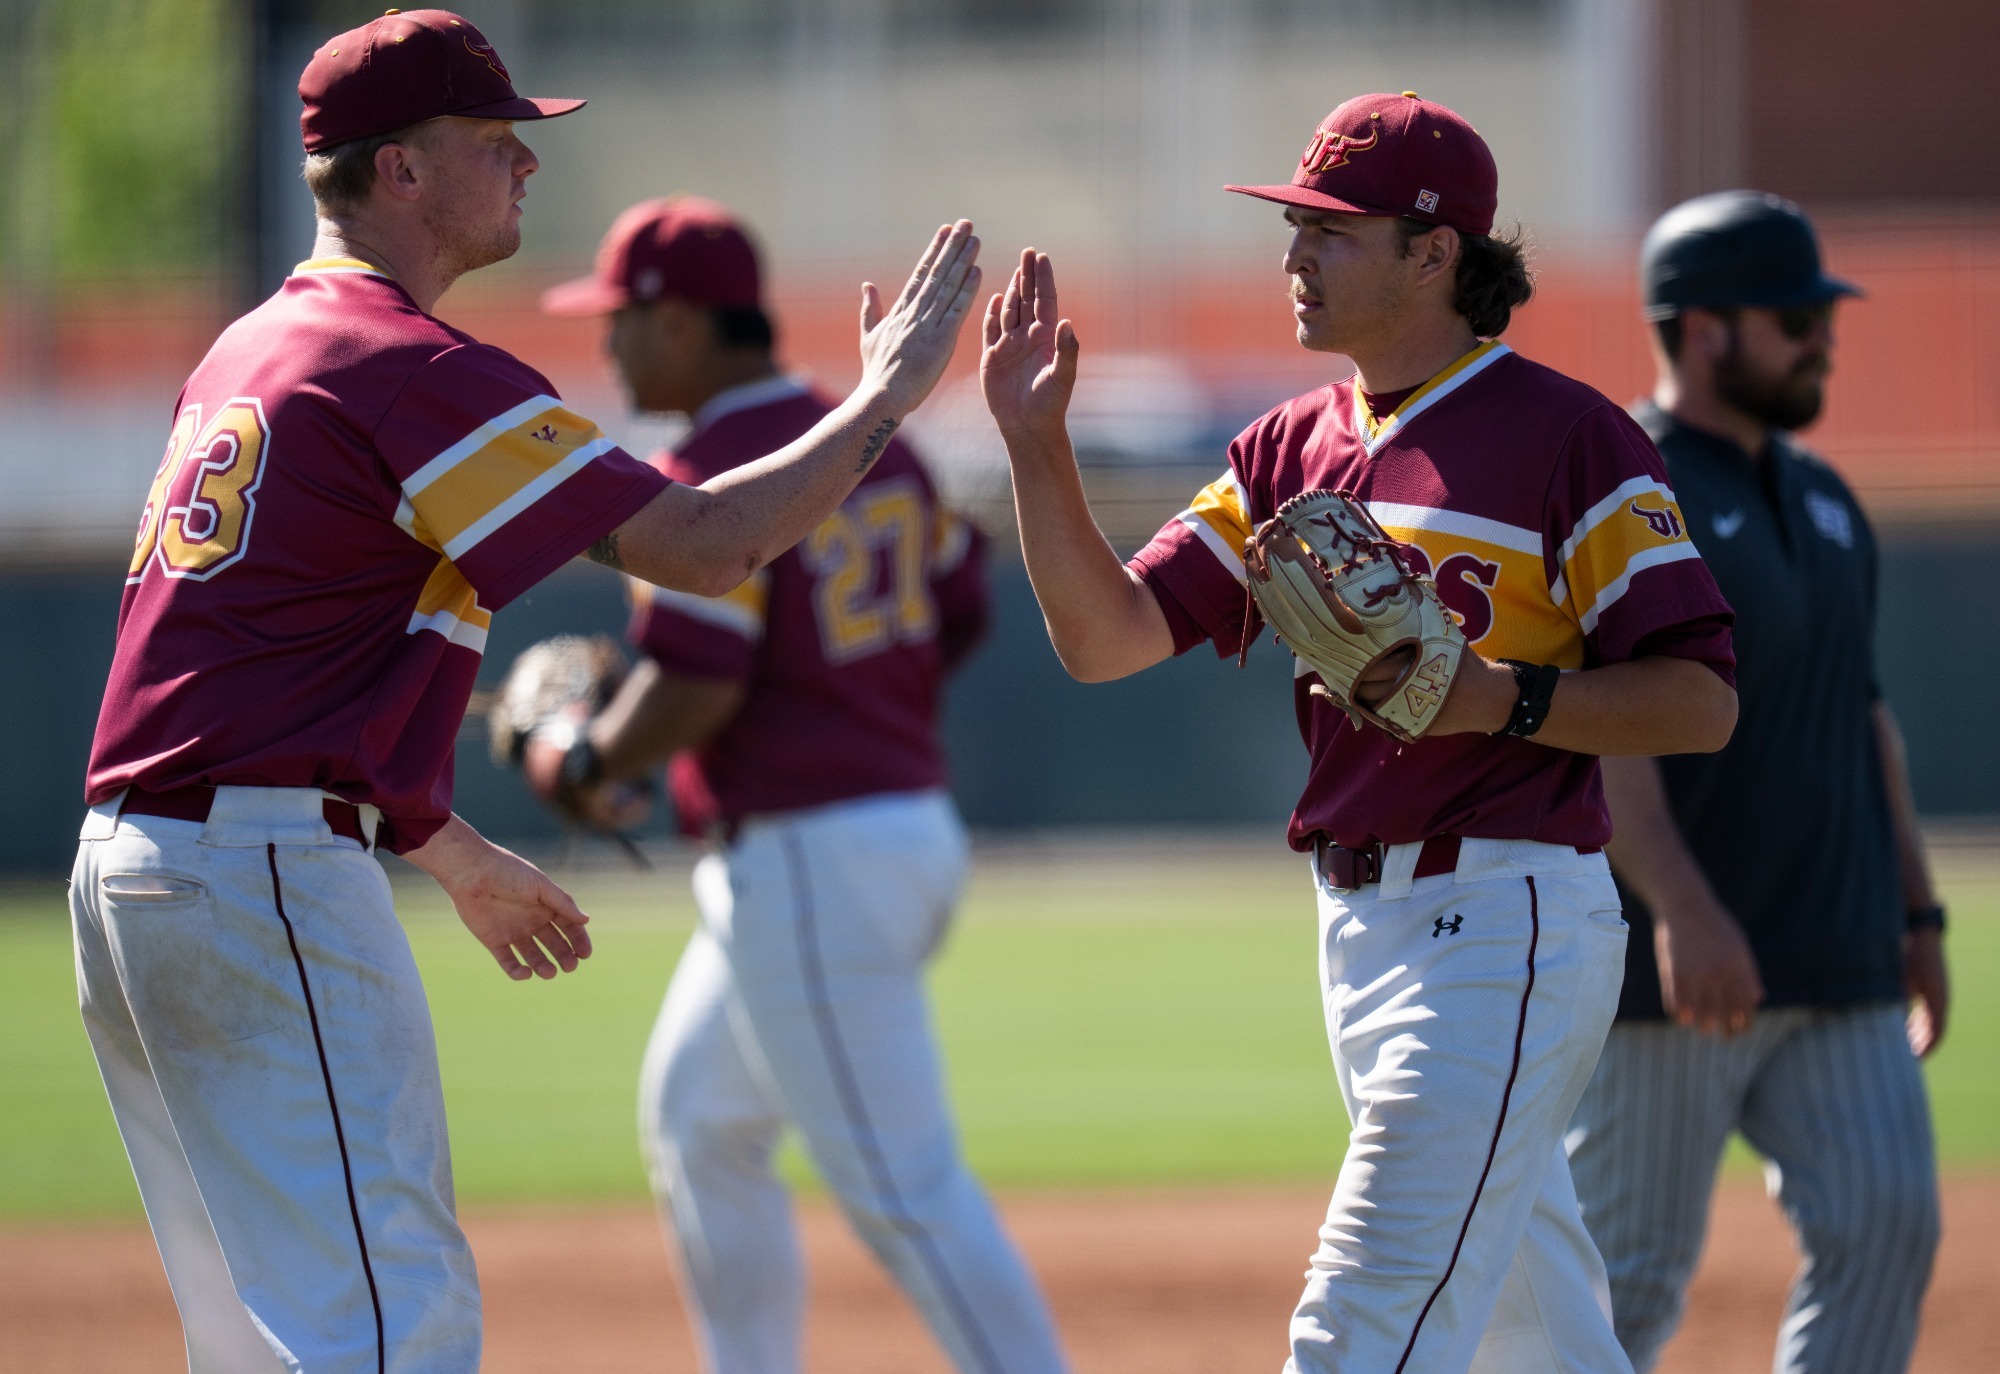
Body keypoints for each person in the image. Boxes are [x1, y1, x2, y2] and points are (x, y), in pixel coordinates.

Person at [69, 11, 980, 1373]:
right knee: (390, 1324)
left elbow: (264, 653)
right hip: (254, 870)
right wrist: (886, 395)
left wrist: (441, 840)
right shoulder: (406, 364)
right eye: (495, 139)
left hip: (138, 869)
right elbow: (709, 545)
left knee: (257, 1335)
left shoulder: (252, 348)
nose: (526, 165)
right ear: (402, 173)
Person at [979, 91, 1740, 1373]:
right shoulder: (1289, 445)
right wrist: (1032, 447)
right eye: (1295, 228)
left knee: (1358, 1324)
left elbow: (1701, 698)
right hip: (1357, 930)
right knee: (1530, 1339)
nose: (1292, 257)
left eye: (1331, 231)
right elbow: (1105, 640)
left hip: (1504, 921)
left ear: (1436, 251)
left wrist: (1505, 696)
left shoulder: (1571, 437)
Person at [533, 196, 1067, 1374]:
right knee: (700, 1119)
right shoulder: (867, 434)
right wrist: (858, 705)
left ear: (679, 326)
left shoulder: (709, 474)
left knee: (902, 1190)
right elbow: (961, 605)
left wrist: (577, 758)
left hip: (812, 855)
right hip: (886, 827)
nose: (605, 345)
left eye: (619, 319)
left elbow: (695, 690)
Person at [1563, 190, 1948, 1374]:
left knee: (1886, 1227)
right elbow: (1601, 727)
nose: (1821, 336)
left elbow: (1862, 716)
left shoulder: (1826, 498)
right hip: (1676, 976)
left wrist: (1916, 909)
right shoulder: (1628, 489)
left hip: (1837, 954)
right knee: (1620, 1285)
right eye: (1795, 317)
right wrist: (1678, 906)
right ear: (1704, 327)